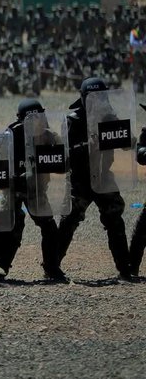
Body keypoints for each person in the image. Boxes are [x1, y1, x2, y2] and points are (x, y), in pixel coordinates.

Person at [57, 77, 136, 280]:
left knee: (115, 220)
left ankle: (125, 268)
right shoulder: (72, 121)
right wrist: (88, 144)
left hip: (103, 177)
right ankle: (51, 265)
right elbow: (65, 155)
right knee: (69, 220)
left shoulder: (109, 117)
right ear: (83, 99)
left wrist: (128, 138)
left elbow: (126, 143)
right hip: (80, 180)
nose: (95, 102)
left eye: (99, 98)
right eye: (91, 98)